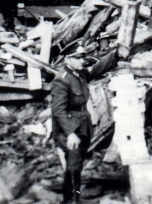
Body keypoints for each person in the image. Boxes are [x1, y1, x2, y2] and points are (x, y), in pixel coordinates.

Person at [50, 48, 118, 203]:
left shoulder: (78, 74)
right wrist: (70, 133)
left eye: (83, 57)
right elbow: (58, 110)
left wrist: (115, 55)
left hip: (82, 125)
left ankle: (73, 198)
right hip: (69, 129)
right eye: (78, 58)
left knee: (76, 165)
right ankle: (72, 200)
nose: (83, 61)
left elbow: (95, 70)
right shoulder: (62, 79)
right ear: (67, 59)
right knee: (73, 166)